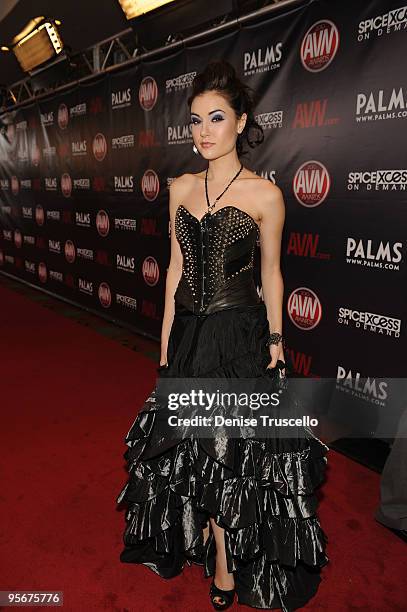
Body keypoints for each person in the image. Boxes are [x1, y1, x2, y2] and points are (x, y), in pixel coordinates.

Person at [116, 59, 329, 611]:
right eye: (194, 121)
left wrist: (277, 344)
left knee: (230, 455)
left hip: (238, 339)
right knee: (191, 451)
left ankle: (225, 563)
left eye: (216, 118)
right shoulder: (180, 188)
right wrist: (164, 342)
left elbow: (272, 275)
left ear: (241, 121)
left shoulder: (265, 196)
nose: (203, 131)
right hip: (188, 335)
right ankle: (210, 548)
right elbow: (175, 270)